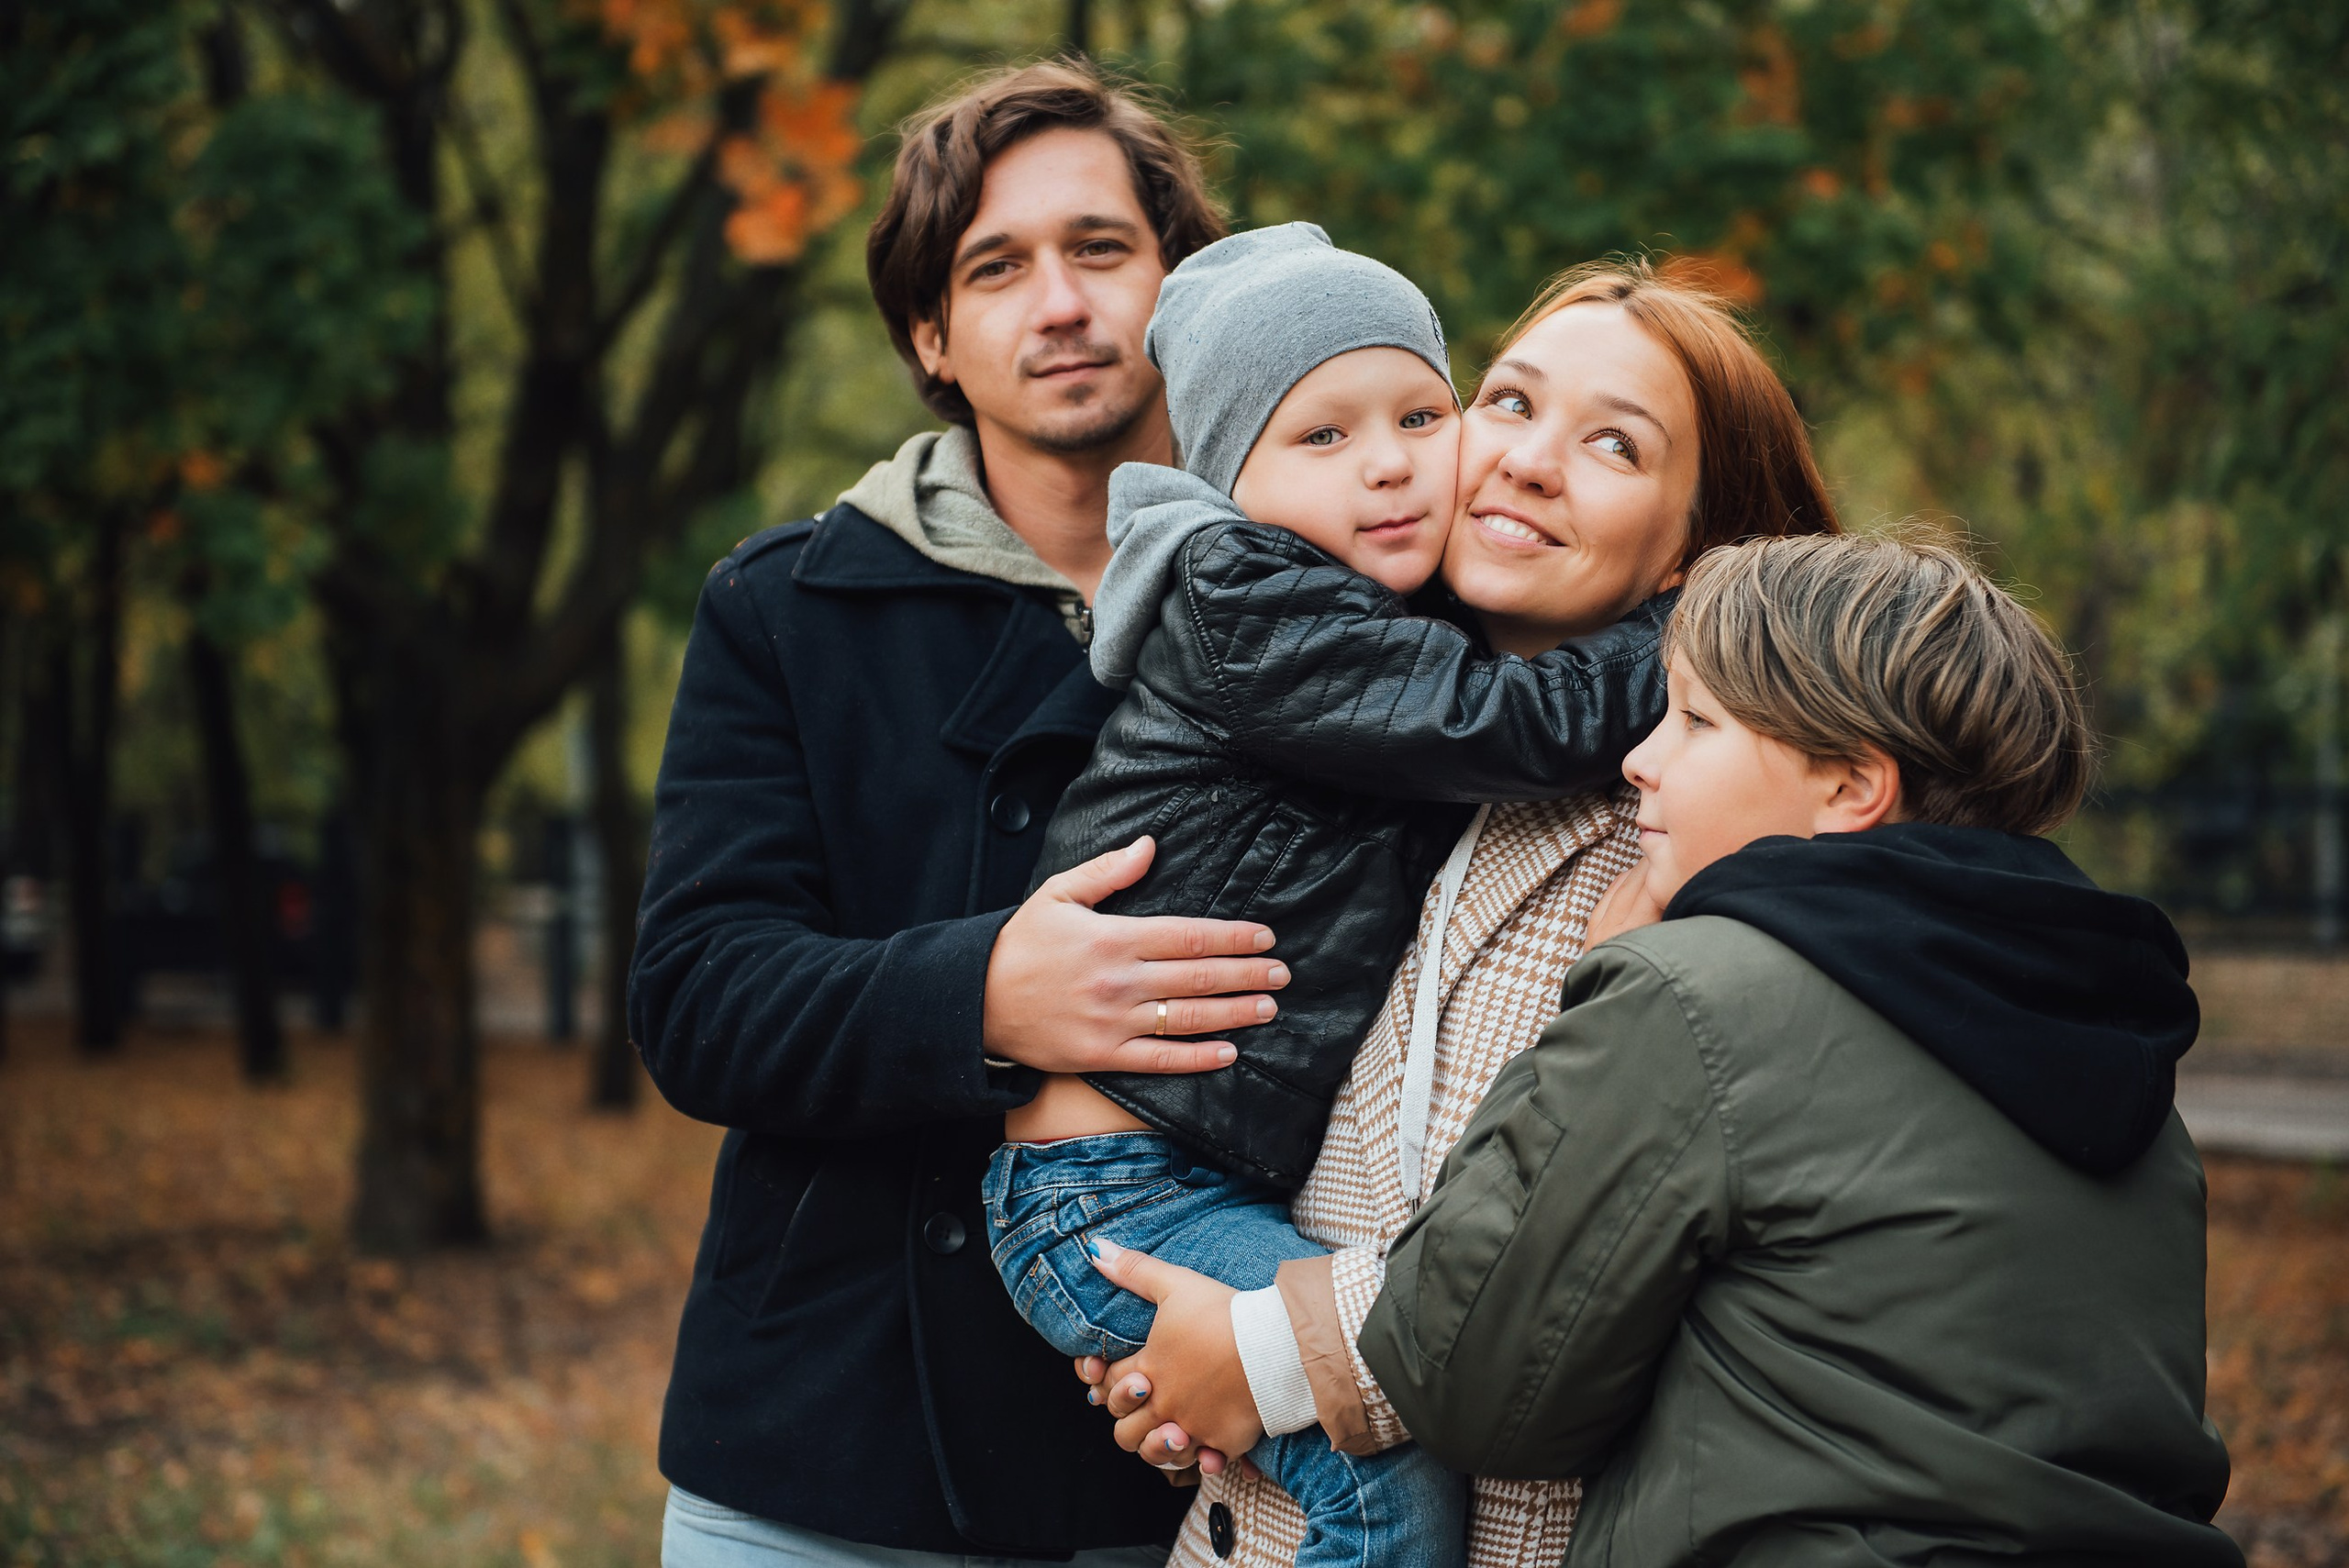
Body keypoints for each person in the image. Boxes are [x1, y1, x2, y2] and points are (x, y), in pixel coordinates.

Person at [1078, 260, 1841, 1568]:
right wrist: (1190, 1350)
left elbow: (1591, 1244)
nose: (1528, 463)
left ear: (1698, 547)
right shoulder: (1385, 761)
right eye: (1510, 401)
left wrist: (1260, 1352)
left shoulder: (1701, 837)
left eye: (1614, 443)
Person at [630, 61, 1277, 1566]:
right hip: (826, 1456)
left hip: (1191, 1456)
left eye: (1100, 249)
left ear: (1179, 280)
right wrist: (988, 992)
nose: (1059, 303)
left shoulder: (1316, 599)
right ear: (933, 332)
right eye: (997, 268)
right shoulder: (788, 604)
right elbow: (698, 995)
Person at [988, 224, 1673, 1568]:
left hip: (1180, 1172)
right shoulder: (1249, 597)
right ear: (1231, 479)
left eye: (1423, 413)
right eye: (1322, 437)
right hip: (1113, 1189)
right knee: (1381, 1468)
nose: (1390, 461)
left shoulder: (1358, 619)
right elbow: (1503, 722)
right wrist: (1702, 624)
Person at [1358, 533, 2243, 1566]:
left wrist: (1583, 1005)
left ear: (1849, 786)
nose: (1640, 757)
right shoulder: (2117, 1053)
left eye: (1694, 720)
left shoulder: (1691, 995)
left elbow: (1462, 1378)